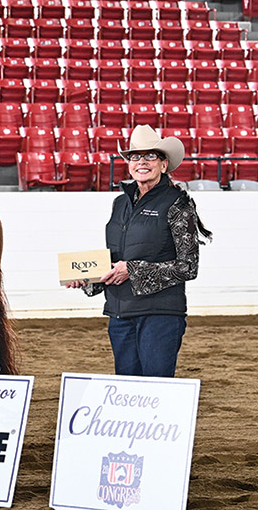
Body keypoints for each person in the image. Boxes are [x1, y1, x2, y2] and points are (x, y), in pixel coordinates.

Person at [67, 125, 213, 377]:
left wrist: (132, 270)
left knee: (155, 390)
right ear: (128, 164)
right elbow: (115, 261)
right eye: (135, 156)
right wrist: (87, 278)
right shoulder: (119, 203)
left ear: (164, 164)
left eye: (150, 156)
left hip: (160, 315)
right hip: (119, 314)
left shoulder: (179, 204)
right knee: (127, 391)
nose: (141, 162)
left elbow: (188, 266)